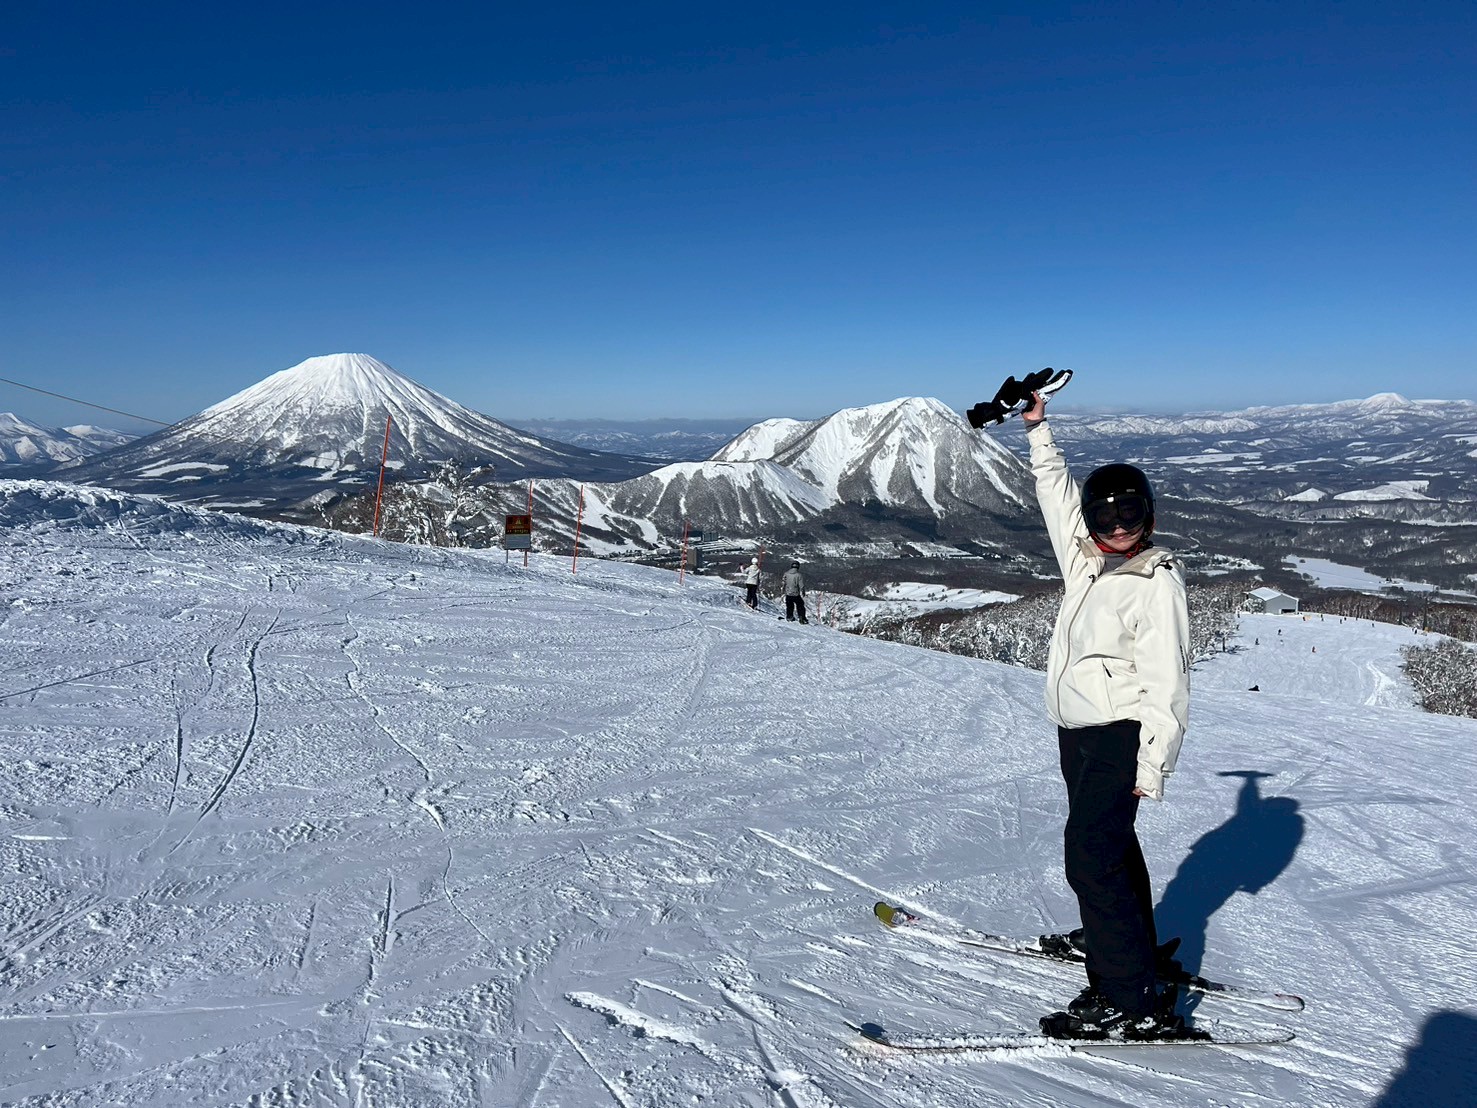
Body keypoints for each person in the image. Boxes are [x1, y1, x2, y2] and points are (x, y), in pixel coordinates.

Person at [1020, 388, 1191, 1039]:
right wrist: (1037, 431)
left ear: (1148, 516)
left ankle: (1129, 997)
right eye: (1105, 517)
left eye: (1130, 515)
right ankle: (1126, 945)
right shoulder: (1087, 564)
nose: (1118, 528)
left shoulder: (1154, 581)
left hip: (1121, 734)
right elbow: (1056, 499)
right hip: (1079, 734)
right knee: (1111, 847)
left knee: (1090, 858)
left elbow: (1168, 682)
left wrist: (1152, 764)